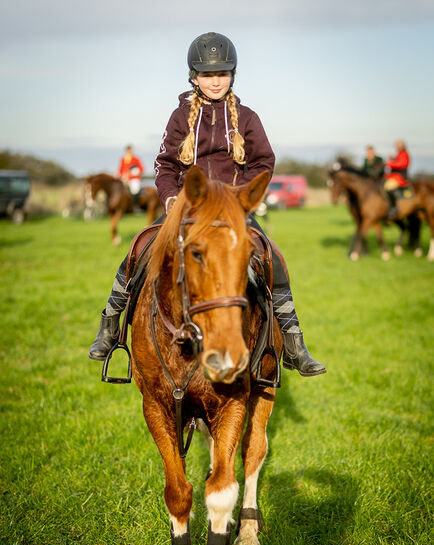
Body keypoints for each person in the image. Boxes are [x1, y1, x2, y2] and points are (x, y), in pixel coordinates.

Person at [89, 32, 326, 378]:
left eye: (222, 74)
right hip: (186, 210)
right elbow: (164, 165)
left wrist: (238, 199)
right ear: (194, 77)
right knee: (139, 248)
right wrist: (171, 197)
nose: (215, 82)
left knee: (272, 256)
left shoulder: (247, 118)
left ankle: (293, 342)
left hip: (232, 212)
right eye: (207, 75)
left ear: (232, 75)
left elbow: (264, 162)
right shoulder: (179, 116)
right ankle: (110, 329)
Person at [384, 140, 410, 218]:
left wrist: (389, 163)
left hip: (400, 177)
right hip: (394, 176)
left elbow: (402, 164)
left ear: (402, 146)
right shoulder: (399, 154)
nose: (396, 147)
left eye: (398, 145)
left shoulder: (404, 153)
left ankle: (394, 207)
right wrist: (393, 158)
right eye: (396, 145)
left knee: (388, 187)